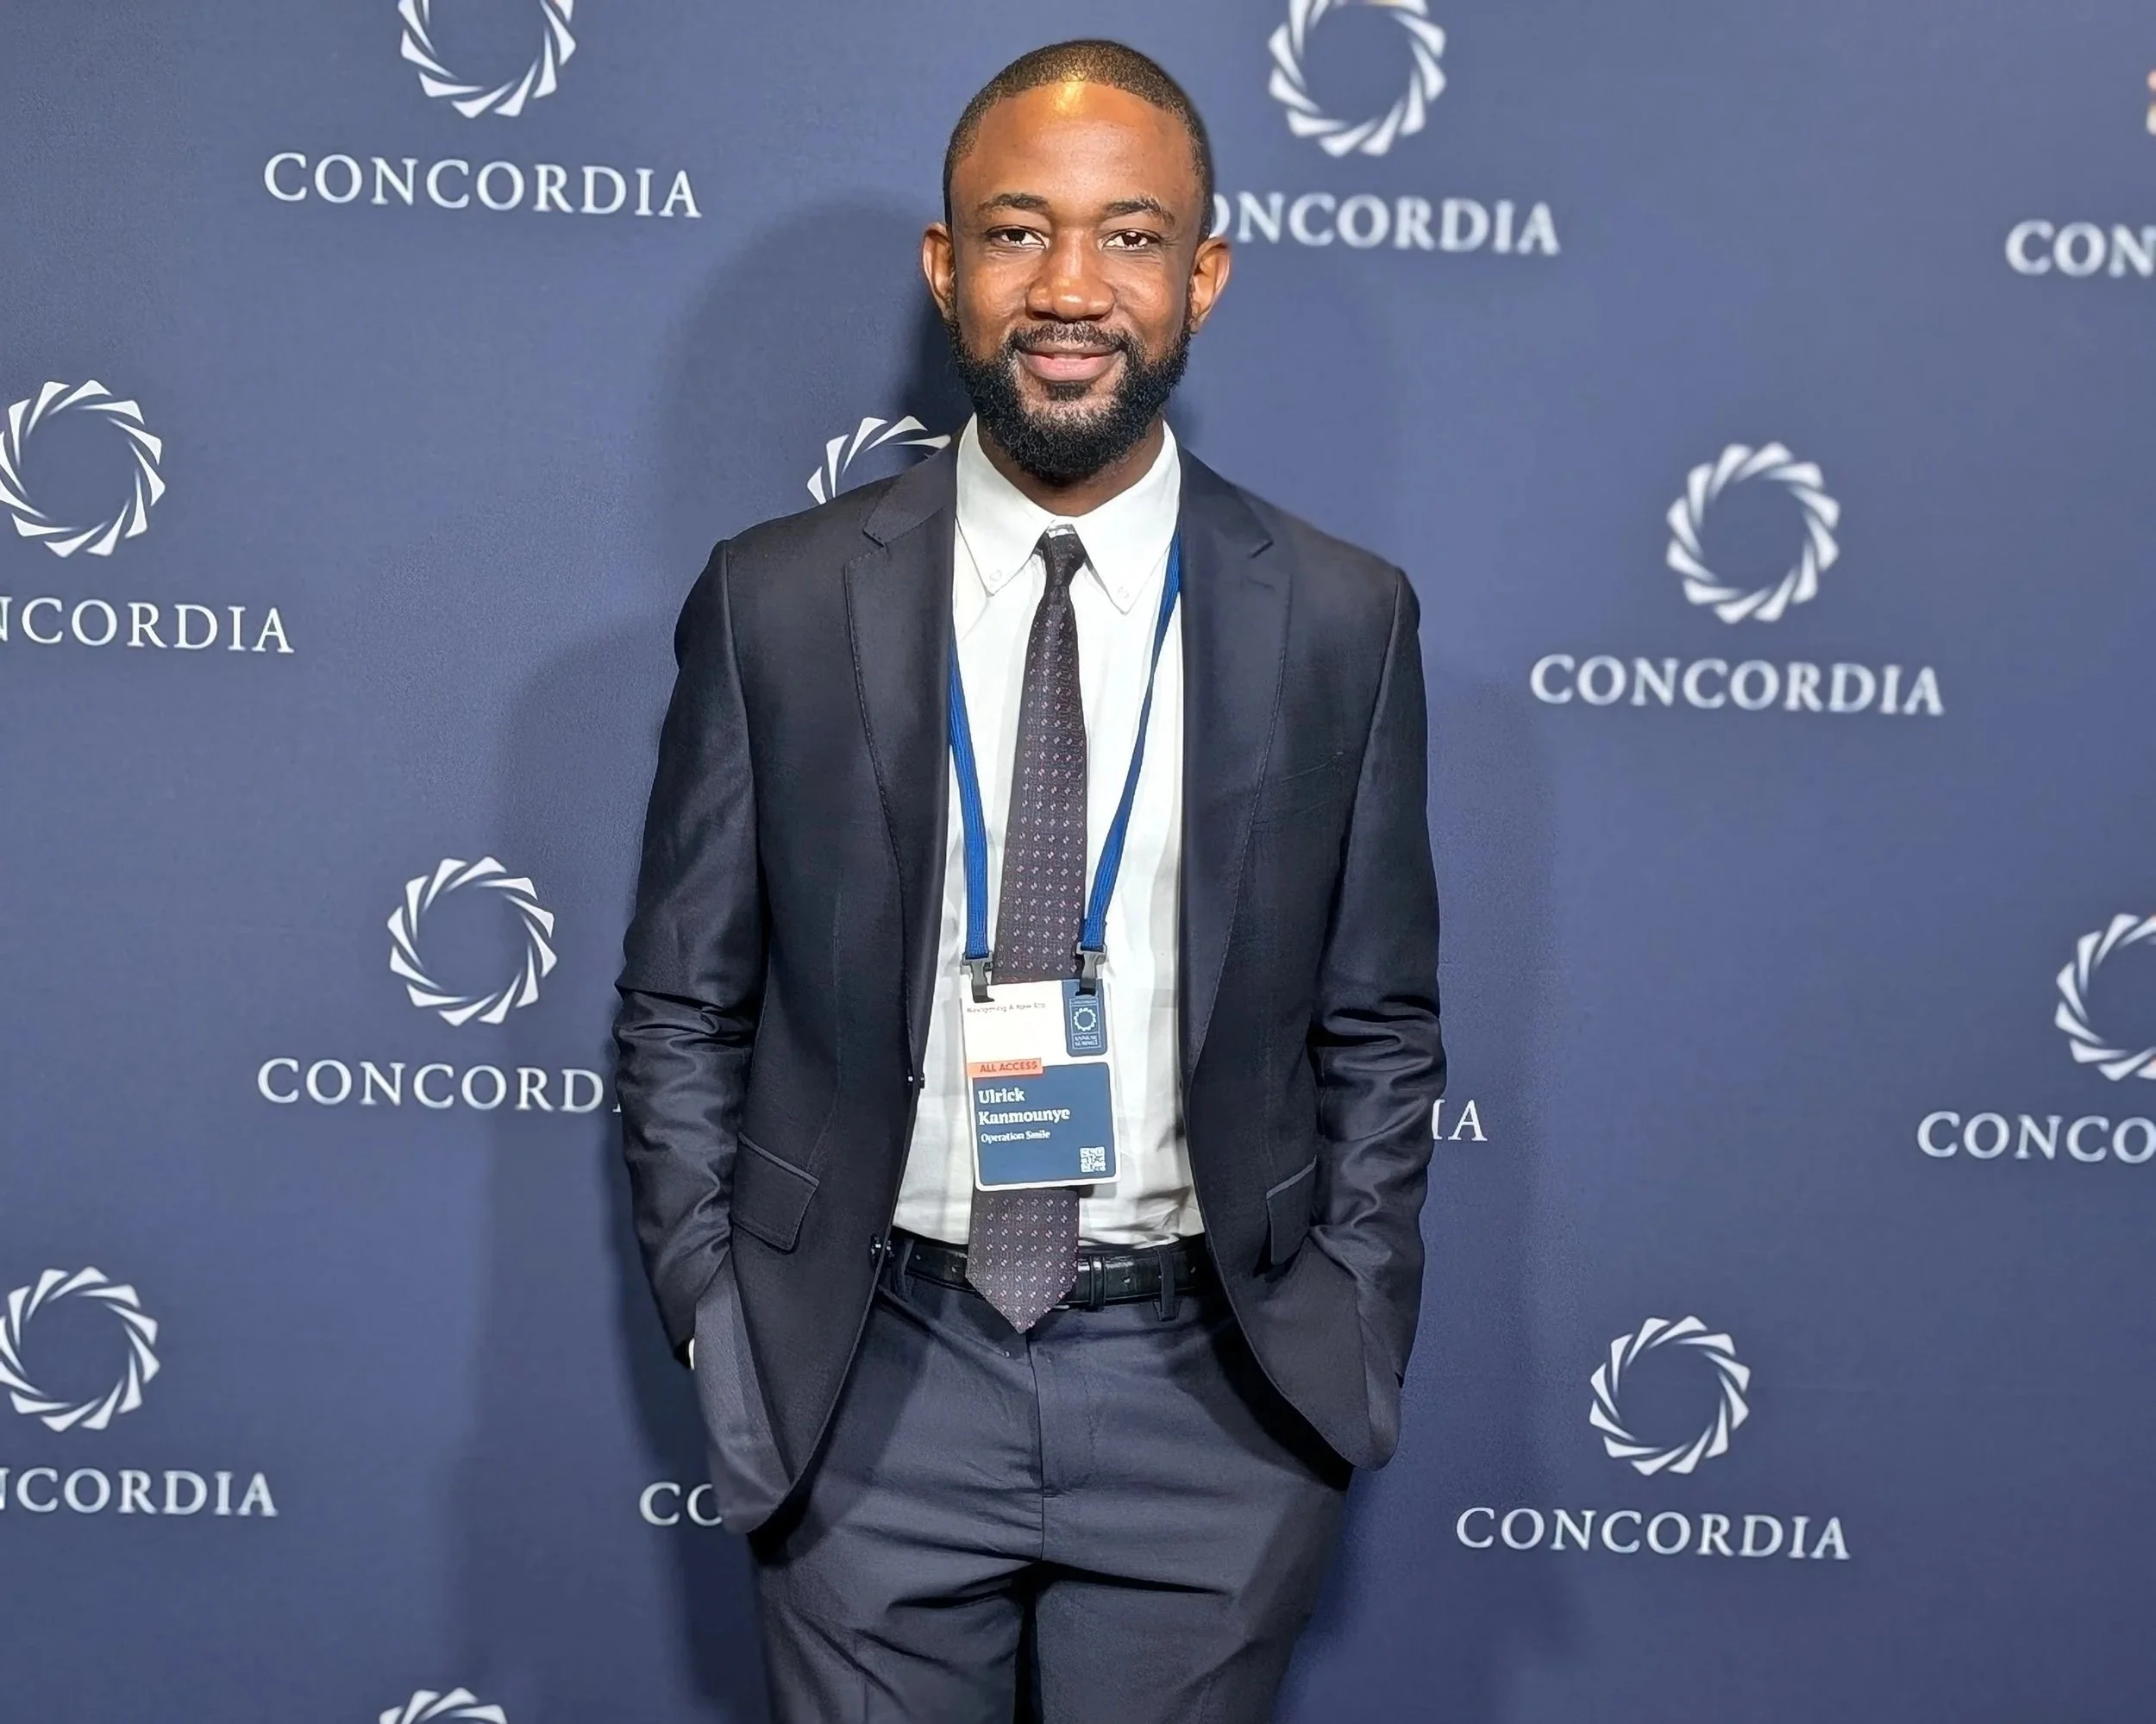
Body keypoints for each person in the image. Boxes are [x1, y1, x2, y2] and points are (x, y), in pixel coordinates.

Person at [616, 38, 1444, 1722]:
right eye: (1016, 232)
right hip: (869, 1385)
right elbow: (679, 1002)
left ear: (1201, 276)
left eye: (1130, 237)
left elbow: (1377, 1027)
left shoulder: (1342, 619)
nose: (1073, 288)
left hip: (1208, 1406)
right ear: (945, 272)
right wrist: (723, 1316)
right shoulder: (775, 601)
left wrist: (1342, 1325)